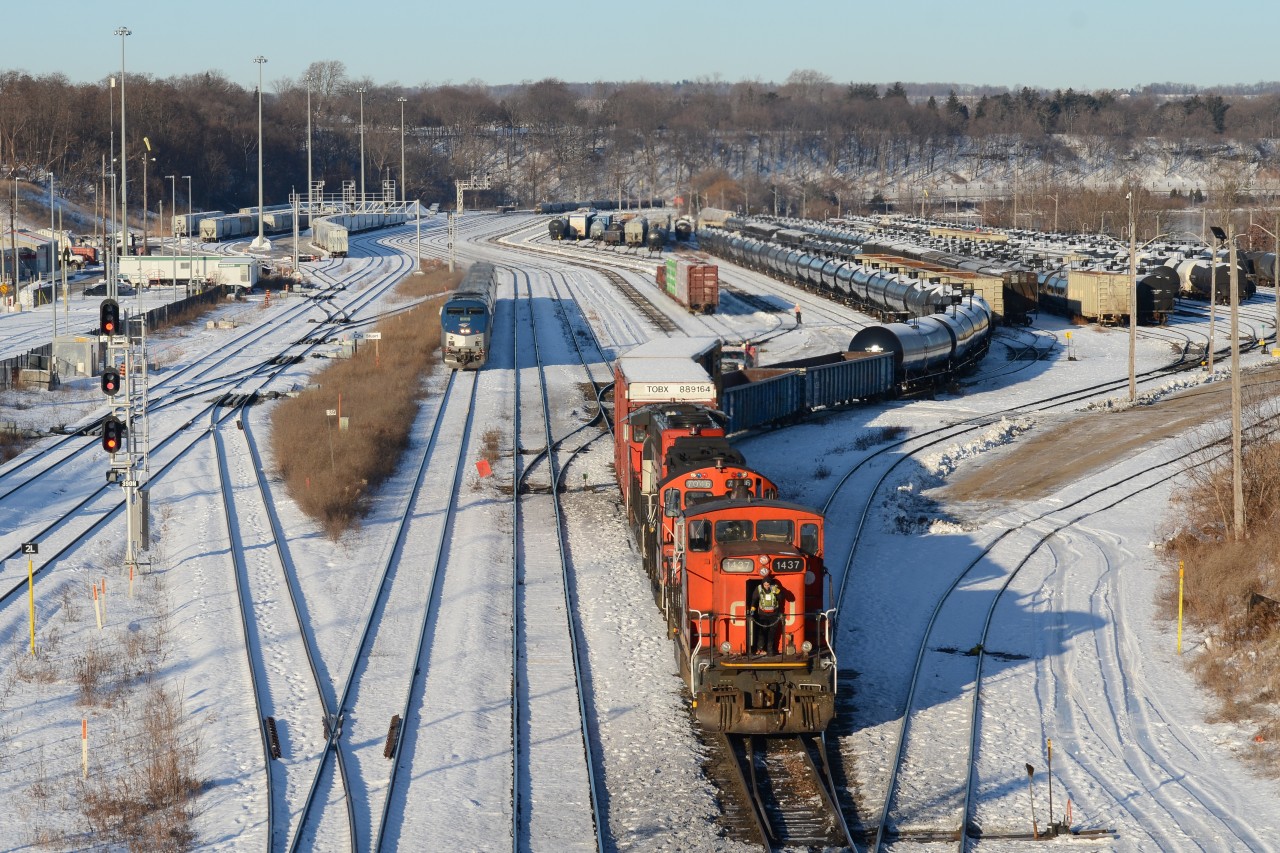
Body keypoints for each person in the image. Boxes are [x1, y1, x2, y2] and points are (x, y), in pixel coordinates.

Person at [751, 578, 783, 656]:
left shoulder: (775, 588)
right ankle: (760, 649)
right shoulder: (758, 589)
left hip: (774, 615)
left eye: (768, 585)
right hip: (762, 615)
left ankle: (770, 650)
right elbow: (754, 599)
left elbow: (781, 598)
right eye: (765, 585)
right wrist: (752, 609)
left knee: (772, 633)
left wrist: (778, 592)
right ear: (763, 584)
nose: (767, 586)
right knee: (762, 632)